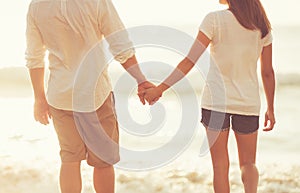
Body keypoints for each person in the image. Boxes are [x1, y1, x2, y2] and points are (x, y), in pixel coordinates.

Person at [141, 0, 276, 192]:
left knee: (220, 167)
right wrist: (271, 108)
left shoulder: (214, 20)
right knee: (248, 164)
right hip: (248, 104)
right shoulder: (261, 26)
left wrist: (160, 88)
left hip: (216, 103)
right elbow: (268, 72)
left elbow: (190, 61)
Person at [25, 0, 154, 192]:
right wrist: (141, 79)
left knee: (69, 158)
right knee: (103, 161)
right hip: (95, 95)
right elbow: (120, 46)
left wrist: (39, 98)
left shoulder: (37, 5)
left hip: (60, 96)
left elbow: (34, 56)